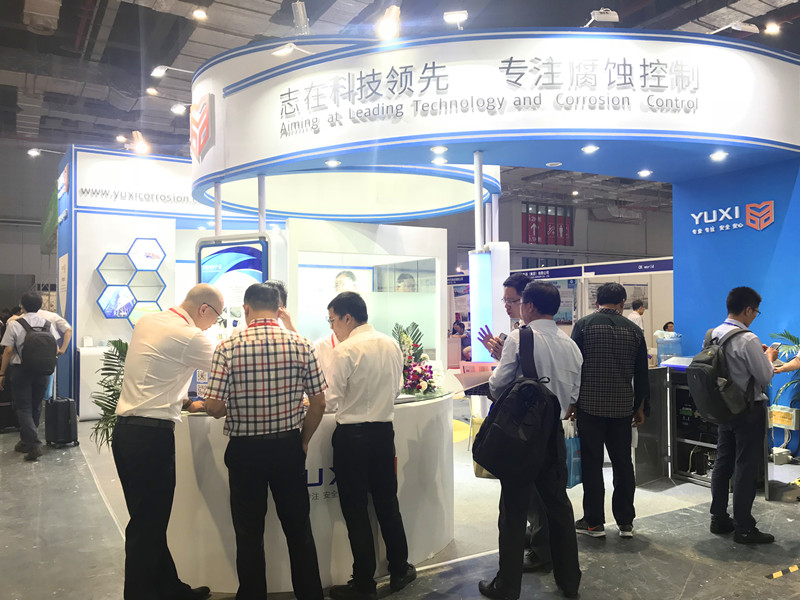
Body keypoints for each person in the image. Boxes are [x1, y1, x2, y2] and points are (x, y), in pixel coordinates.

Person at [204, 282, 327, 599]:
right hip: (287, 447)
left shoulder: (227, 347)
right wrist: (303, 441)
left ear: (246, 308)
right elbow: (319, 404)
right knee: (299, 530)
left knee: (248, 535)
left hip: (245, 452)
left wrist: (237, 404)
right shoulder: (302, 344)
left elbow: (214, 407)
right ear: (278, 309)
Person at [112, 283, 224, 600]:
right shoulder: (190, 336)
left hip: (127, 432)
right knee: (147, 525)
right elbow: (232, 365)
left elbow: (156, 371)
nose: (213, 323)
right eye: (216, 316)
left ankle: (169, 588)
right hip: (151, 437)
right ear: (204, 309)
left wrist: (185, 401)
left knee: (150, 520)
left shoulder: (150, 320)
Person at [479, 282, 582, 600]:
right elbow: (572, 398)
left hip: (521, 437)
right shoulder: (571, 346)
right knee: (559, 508)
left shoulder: (519, 337)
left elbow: (498, 385)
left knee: (513, 512)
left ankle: (507, 586)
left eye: (520, 303)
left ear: (530, 306)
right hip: (554, 435)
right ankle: (569, 581)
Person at [325, 292, 416, 600]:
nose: (332, 326)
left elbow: (331, 398)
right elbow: (397, 388)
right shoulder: (390, 344)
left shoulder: (344, 350)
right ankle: (400, 569)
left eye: (333, 320)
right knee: (387, 503)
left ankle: (364, 582)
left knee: (355, 510)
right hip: (383, 434)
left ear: (347, 318)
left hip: (351, 438)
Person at [567, 282, 648, 538]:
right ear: (622, 302)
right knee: (623, 463)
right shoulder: (634, 330)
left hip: (589, 406)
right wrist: (640, 406)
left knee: (592, 463)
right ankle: (625, 522)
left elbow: (574, 366)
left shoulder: (584, 325)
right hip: (622, 408)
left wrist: (572, 402)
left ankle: (594, 523)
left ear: (596, 302)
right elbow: (642, 374)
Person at [708, 286, 777, 544]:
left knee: (723, 462)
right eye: (756, 312)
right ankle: (744, 527)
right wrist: (768, 357)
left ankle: (718, 518)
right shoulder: (748, 339)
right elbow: (765, 376)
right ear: (748, 309)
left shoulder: (713, 334)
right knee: (745, 467)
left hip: (724, 408)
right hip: (748, 410)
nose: (755, 316)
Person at [0, 292, 58, 461]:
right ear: (40, 305)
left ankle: (33, 444)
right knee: (35, 406)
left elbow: (8, 350)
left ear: (22, 306)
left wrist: (2, 373)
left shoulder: (15, 324)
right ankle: (26, 441)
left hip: (22, 371)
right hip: (43, 372)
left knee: (23, 408)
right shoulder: (47, 324)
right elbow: (54, 347)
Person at [477, 273, 531, 360]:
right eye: (505, 301)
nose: (506, 306)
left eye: (510, 301)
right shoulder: (521, 325)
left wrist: (505, 355)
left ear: (526, 300)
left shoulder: (534, 330)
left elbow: (529, 366)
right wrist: (495, 351)